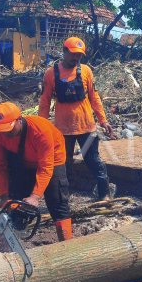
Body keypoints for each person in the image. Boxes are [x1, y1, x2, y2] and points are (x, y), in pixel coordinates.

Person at [39, 37, 115, 200]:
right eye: (73, 54)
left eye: (79, 55)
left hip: (87, 127)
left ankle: (105, 194)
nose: (76, 58)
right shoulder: (51, 74)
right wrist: (42, 127)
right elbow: (45, 101)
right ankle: (64, 195)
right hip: (62, 130)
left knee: (93, 161)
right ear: (64, 51)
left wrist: (103, 120)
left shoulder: (86, 71)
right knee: (63, 163)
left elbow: (95, 98)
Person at [0, 102, 73, 241]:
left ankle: (67, 242)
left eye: (9, 129)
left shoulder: (40, 130)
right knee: (15, 202)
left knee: (57, 201)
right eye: (1, 130)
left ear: (19, 120)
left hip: (52, 159)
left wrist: (35, 196)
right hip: (22, 158)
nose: (5, 133)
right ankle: (9, 243)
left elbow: (46, 167)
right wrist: (4, 195)